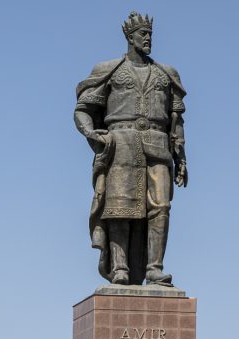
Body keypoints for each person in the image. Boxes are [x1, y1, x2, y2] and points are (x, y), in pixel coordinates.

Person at [74, 11, 188, 286]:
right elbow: (84, 110)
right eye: (142, 35)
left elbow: (176, 120)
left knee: (161, 207)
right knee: (119, 207)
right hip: (121, 143)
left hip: (158, 144)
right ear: (129, 37)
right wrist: (92, 133)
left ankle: (154, 268)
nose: (147, 39)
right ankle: (121, 268)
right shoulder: (110, 70)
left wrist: (181, 157)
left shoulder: (166, 74)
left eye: (150, 34)